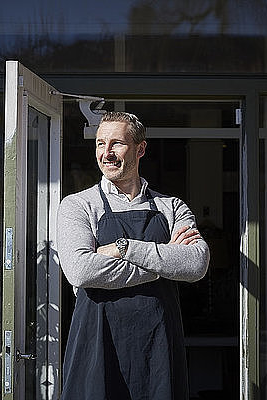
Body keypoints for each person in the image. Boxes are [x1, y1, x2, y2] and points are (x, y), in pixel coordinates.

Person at [56, 111, 210, 400]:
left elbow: (196, 263)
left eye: (116, 143)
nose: (106, 153)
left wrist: (125, 248)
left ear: (140, 149)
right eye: (101, 144)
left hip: (158, 347)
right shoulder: (78, 205)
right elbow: (80, 270)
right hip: (97, 344)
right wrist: (164, 265)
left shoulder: (171, 206)